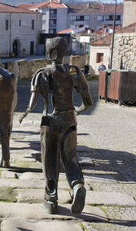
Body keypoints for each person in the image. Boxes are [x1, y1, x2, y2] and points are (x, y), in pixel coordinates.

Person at [27, 37, 93, 214]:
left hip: (50, 122)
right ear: (64, 52)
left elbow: (33, 102)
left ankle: (51, 198)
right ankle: (77, 185)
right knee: (70, 158)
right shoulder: (74, 72)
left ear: (49, 53)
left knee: (49, 161)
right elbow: (88, 101)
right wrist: (77, 109)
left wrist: (26, 111)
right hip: (70, 120)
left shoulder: (41, 73)